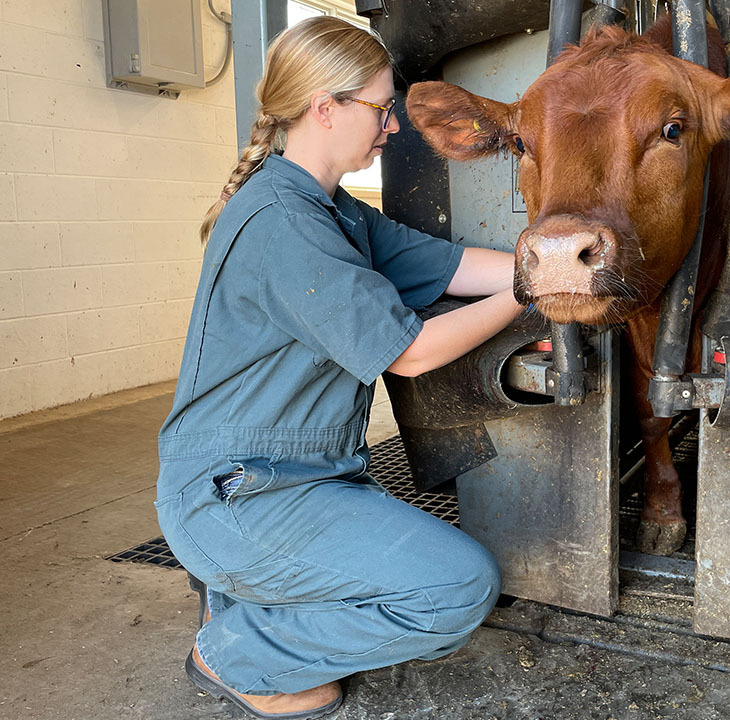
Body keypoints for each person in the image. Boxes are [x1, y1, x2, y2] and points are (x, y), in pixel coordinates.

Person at [155, 16, 522, 719]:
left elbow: (449, 265)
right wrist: (527, 293)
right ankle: (236, 653)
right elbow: (410, 353)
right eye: (382, 109)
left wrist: (555, 261)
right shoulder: (285, 223)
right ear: (325, 107)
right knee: (457, 588)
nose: (391, 127)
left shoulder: (335, 212)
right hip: (241, 495)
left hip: (283, 480)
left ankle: (242, 600)